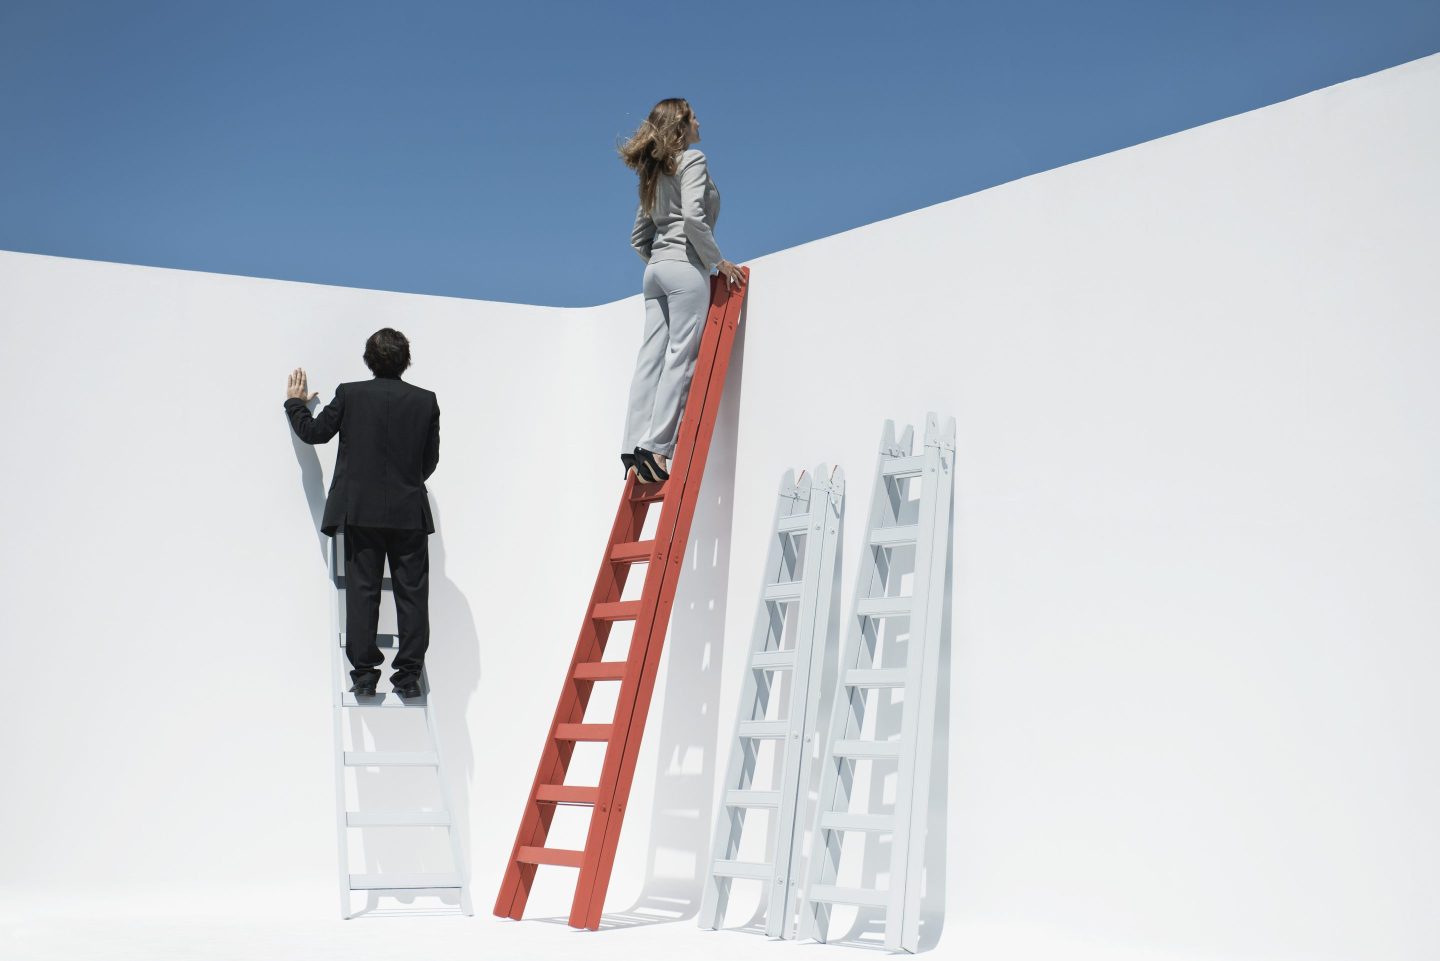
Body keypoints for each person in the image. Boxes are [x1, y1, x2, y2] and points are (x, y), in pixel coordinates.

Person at [283, 328, 440, 699]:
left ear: (368, 360)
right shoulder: (425, 401)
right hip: (408, 515)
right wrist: (403, 484)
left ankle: (365, 675)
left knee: (363, 592)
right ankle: (409, 676)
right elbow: (428, 462)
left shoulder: (350, 394)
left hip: (361, 513)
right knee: (413, 596)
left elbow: (315, 433)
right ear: (406, 360)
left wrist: (295, 403)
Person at [619, 97, 744, 484]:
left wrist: (660, 261)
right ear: (681, 125)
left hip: (654, 271)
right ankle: (656, 448)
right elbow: (692, 216)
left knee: (650, 358)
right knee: (681, 356)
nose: (700, 122)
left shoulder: (652, 173)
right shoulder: (693, 160)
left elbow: (639, 238)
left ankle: (632, 445)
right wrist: (716, 261)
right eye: (693, 118)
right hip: (684, 267)